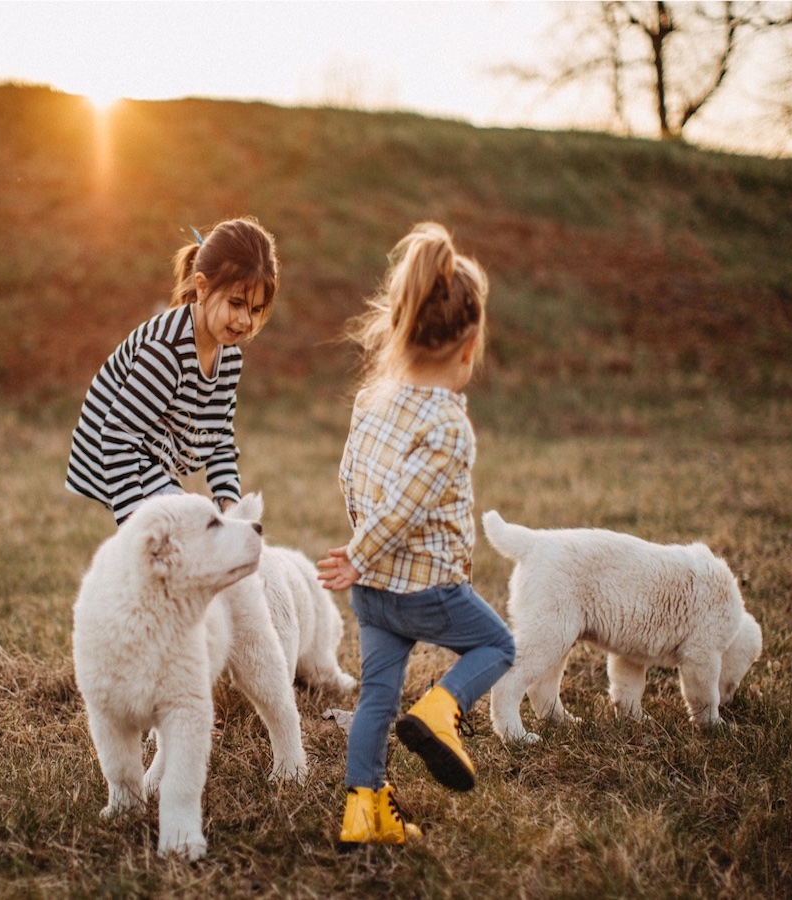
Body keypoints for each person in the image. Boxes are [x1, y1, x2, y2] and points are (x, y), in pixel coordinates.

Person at [317, 222, 515, 847]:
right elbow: (404, 506)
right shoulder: (449, 426)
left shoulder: (373, 399)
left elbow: (352, 476)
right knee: (497, 648)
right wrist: (361, 551)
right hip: (426, 587)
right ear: (468, 347)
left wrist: (359, 556)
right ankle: (441, 710)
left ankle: (363, 811)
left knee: (376, 695)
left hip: (372, 592)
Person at [66, 217, 279, 525]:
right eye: (236, 303)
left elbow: (219, 438)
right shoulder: (167, 351)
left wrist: (230, 508)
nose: (246, 321)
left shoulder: (229, 356)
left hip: (147, 456)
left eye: (256, 310)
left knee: (203, 532)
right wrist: (132, 524)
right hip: (109, 454)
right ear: (203, 288)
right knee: (189, 531)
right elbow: (117, 434)